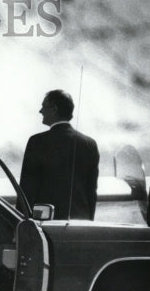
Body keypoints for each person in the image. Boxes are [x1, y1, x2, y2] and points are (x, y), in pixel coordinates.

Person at [19, 89, 100, 221]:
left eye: (43, 106)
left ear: (54, 109)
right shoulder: (90, 144)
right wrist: (89, 222)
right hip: (81, 223)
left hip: (47, 224)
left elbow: (27, 190)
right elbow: (91, 192)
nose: (40, 111)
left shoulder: (37, 142)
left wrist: (20, 224)